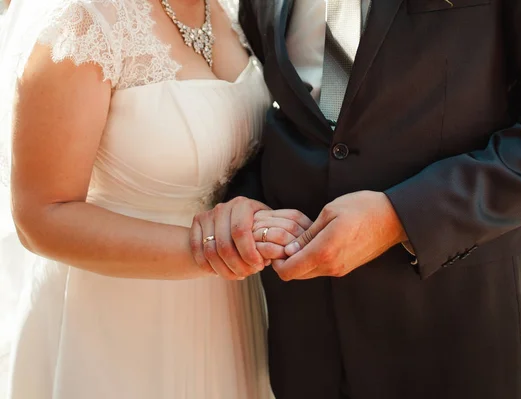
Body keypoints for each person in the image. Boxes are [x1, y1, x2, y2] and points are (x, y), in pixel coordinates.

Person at [190, 0, 521, 398]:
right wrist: (246, 199)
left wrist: (402, 215)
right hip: (304, 337)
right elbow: (287, 116)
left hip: (449, 329)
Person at [0, 0, 304, 397]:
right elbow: (41, 215)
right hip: (114, 318)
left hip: (226, 308)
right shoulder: (85, 22)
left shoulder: (231, 12)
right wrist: (211, 250)